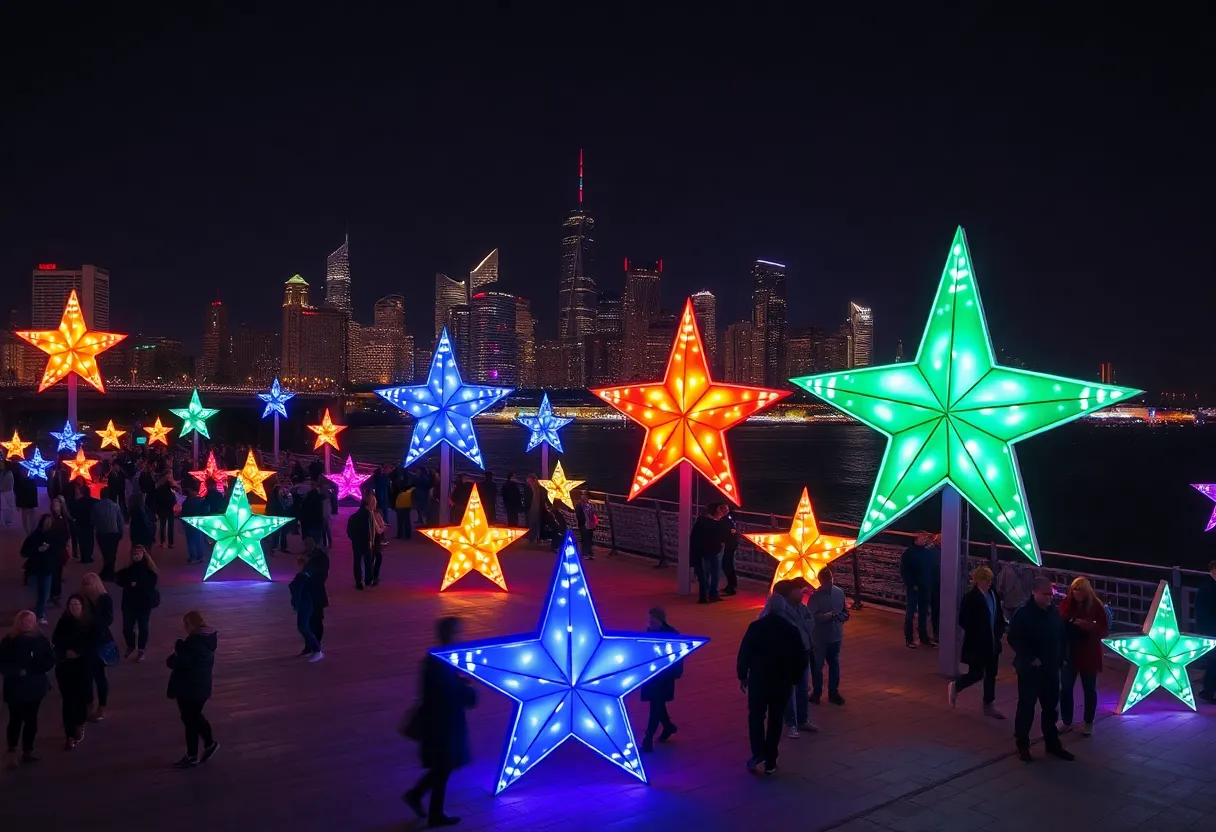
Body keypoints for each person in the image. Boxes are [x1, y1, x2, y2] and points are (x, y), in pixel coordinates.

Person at [403, 616, 476, 827]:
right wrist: (469, 689)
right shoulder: (442, 663)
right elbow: (452, 695)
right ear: (450, 635)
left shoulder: (435, 659)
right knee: (444, 767)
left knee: (442, 768)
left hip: (440, 724)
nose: (461, 637)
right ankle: (432, 811)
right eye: (458, 633)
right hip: (444, 726)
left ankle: (418, 797)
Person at [737, 580, 808, 775]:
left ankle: (757, 753)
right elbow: (801, 658)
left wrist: (743, 675)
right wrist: (793, 678)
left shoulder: (756, 627)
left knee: (756, 717)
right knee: (776, 719)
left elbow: (745, 653)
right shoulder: (791, 630)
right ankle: (771, 758)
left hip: (759, 680)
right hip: (781, 682)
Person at [1006, 576, 1073, 762]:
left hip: (1051, 670)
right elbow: (1014, 638)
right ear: (1034, 592)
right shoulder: (1023, 614)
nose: (1049, 598)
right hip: (1030, 671)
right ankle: (1022, 744)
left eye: (1050, 595)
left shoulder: (1053, 613)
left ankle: (1052, 743)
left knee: (1051, 709)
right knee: (1026, 707)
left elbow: (1061, 636)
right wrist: (1029, 658)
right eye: (1045, 595)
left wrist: (1064, 658)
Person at [761, 578, 817, 738]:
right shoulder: (780, 611)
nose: (802, 593)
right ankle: (791, 723)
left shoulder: (801, 607)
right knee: (789, 690)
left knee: (803, 687)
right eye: (799, 590)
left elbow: (809, 622)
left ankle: (803, 719)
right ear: (790, 592)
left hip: (804, 651)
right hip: (789, 655)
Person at [948, 565, 1006, 718]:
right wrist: (977, 632)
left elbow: (998, 615)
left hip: (992, 641)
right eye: (986, 580)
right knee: (977, 673)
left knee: (991, 673)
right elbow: (963, 620)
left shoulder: (993, 594)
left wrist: (999, 631)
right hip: (977, 643)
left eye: (990, 579)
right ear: (978, 581)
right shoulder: (971, 598)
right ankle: (956, 686)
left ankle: (989, 704)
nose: (989, 582)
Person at [1, 610, 56, 766]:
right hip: (15, 688)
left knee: (31, 719)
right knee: (15, 719)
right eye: (23, 621)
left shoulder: (41, 641)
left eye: (30, 621)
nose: (26, 624)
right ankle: (12, 750)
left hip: (34, 686)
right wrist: (16, 672)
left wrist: (37, 667)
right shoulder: (8, 642)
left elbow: (50, 660)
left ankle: (28, 750)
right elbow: (2, 663)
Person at [166, 610, 219, 768]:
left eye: (186, 624)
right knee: (194, 717)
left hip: (189, 687)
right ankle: (208, 745)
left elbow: (175, 662)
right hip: (201, 686)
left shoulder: (193, 643)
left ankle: (193, 755)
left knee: (190, 720)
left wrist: (178, 650)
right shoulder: (208, 639)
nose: (184, 627)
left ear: (193, 624)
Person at [1058, 577, 1109, 736]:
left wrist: (1088, 626)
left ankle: (1088, 722)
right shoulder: (1065, 605)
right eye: (1075, 589)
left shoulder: (1096, 607)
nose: (1077, 593)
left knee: (1089, 689)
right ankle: (1066, 720)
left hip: (1088, 653)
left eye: (1080, 590)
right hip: (1069, 653)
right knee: (1065, 688)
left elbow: (1104, 631)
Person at [639, 608, 684, 752]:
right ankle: (668, 726)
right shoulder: (650, 632)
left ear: (661, 621)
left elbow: (678, 656)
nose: (650, 623)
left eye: (653, 621)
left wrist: (675, 672)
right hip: (653, 676)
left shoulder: (671, 635)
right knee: (657, 703)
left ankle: (648, 738)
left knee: (655, 705)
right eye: (649, 621)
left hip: (664, 677)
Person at [52, 594, 94, 750]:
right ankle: (69, 734)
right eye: (71, 605)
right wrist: (65, 653)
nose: (73, 607)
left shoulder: (90, 623)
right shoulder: (64, 621)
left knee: (81, 698)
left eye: (76, 604)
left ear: (82, 606)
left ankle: (80, 723)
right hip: (66, 667)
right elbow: (56, 640)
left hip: (83, 666)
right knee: (68, 700)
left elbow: (94, 643)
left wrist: (78, 652)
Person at [809, 566, 850, 705]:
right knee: (823, 665)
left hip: (831, 635)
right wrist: (830, 616)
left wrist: (842, 616)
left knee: (829, 664)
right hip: (822, 637)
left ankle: (827, 692)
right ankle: (821, 692)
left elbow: (845, 612)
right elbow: (812, 617)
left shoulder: (836, 593)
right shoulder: (816, 597)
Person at [80, 573, 116, 721]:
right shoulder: (81, 600)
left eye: (89, 584)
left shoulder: (104, 599)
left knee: (99, 675)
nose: (86, 588)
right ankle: (89, 704)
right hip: (85, 642)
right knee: (86, 676)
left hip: (99, 641)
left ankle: (102, 706)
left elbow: (108, 619)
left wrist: (91, 622)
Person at [115, 545, 159, 661]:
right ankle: (131, 644)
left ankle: (141, 650)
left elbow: (152, 583)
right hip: (129, 603)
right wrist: (129, 583)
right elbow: (118, 578)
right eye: (134, 553)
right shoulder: (128, 568)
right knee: (127, 628)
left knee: (143, 627)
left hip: (144, 603)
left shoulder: (149, 569)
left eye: (139, 553)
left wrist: (137, 585)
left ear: (143, 554)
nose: (136, 555)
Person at [900, 533, 935, 648]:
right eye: (922, 538)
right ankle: (909, 638)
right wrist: (911, 584)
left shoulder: (927, 552)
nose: (924, 540)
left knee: (923, 613)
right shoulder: (909, 553)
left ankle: (923, 637)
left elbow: (931, 568)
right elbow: (904, 571)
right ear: (916, 539)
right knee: (911, 613)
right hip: (914, 587)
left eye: (925, 538)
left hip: (925, 586)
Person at [21, 515, 58, 624]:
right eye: (46, 521)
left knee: (44, 594)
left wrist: (50, 548)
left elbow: (59, 549)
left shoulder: (54, 536)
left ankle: (40, 613)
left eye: (50, 521)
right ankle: (39, 612)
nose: (48, 524)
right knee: (38, 592)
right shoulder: (35, 537)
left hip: (47, 569)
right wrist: (37, 549)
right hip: (35, 569)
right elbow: (24, 552)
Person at [690, 503, 729, 603]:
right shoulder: (706, 523)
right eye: (721, 509)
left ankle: (710, 594)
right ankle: (706, 595)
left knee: (713, 574)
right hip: (707, 551)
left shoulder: (707, 522)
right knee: (707, 574)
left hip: (712, 550)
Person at [290, 557, 323, 661]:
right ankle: (311, 649)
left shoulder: (302, 577)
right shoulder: (306, 576)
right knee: (303, 627)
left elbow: (297, 592)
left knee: (303, 627)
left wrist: (295, 604)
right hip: (305, 604)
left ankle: (317, 650)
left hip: (305, 605)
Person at [347, 492, 380, 590]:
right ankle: (368, 579)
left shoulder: (354, 516)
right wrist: (371, 540)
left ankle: (358, 582)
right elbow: (370, 529)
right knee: (368, 561)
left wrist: (353, 538)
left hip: (356, 542)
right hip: (366, 542)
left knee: (357, 562)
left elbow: (349, 531)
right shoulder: (368, 514)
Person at [92, 486, 125, 581]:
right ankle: (109, 572)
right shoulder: (116, 506)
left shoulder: (96, 506)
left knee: (106, 553)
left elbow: (93, 520)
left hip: (102, 533)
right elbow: (120, 521)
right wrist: (121, 533)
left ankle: (107, 573)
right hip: (114, 533)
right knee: (112, 553)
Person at [303, 537, 330, 652]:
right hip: (312, 594)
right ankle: (311, 645)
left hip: (315, 594)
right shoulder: (314, 557)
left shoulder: (318, 558)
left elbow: (320, 576)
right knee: (311, 621)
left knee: (315, 621)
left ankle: (314, 644)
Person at [1195, 560, 1216, 703]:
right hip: (1211, 630)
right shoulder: (1206, 589)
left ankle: (1208, 691)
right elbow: (1202, 614)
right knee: (1214, 662)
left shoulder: (1207, 587)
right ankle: (1208, 691)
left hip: (1211, 628)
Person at [48, 496, 72, 607]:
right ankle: (53, 593)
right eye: (54, 505)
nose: (55, 507)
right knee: (54, 572)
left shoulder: (61, 520)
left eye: (57, 505)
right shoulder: (51, 518)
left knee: (57, 572)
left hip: (58, 549)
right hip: (52, 548)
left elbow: (66, 535)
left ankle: (55, 594)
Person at [179, 480, 209, 565]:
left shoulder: (187, 502)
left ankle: (192, 557)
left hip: (189, 523)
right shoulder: (201, 500)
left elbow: (183, 512)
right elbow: (206, 510)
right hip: (198, 523)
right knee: (198, 540)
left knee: (190, 541)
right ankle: (200, 556)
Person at [154, 466, 180, 549]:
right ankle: (170, 543)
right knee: (168, 525)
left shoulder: (160, 486)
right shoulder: (169, 486)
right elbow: (175, 492)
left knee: (163, 525)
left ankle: (163, 542)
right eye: (169, 475)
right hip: (168, 507)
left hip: (164, 507)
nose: (170, 477)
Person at [73, 479, 98, 565]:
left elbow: (74, 513)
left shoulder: (77, 502)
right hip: (90, 524)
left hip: (80, 523)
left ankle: (84, 556)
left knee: (82, 540)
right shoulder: (95, 502)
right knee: (90, 540)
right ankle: (88, 556)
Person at [720, 505, 740, 596]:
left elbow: (728, 532)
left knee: (727, 565)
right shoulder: (729, 519)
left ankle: (732, 586)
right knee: (727, 564)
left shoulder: (726, 520)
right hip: (731, 544)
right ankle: (731, 585)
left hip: (729, 545)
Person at [300, 478, 326, 543]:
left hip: (310, 519)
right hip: (316, 519)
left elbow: (304, 507)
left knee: (312, 536)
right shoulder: (319, 495)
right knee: (316, 537)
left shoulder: (309, 496)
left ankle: (312, 549)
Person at [15, 466, 39, 534]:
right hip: (25, 495)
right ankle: (28, 532)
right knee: (26, 514)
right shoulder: (21, 476)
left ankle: (31, 531)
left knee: (30, 513)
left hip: (30, 494)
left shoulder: (31, 476)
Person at [575, 490, 597, 560]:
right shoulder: (579, 505)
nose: (584, 497)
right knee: (584, 539)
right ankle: (584, 553)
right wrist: (582, 522)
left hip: (590, 524)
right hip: (583, 524)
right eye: (582, 495)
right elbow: (578, 515)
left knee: (589, 539)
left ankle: (590, 553)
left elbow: (593, 514)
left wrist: (594, 522)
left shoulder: (590, 505)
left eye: (585, 495)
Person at [525, 474, 543, 545]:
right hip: (536, 508)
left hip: (534, 508)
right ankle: (535, 539)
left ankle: (533, 539)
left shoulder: (531, 488)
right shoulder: (538, 488)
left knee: (533, 524)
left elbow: (527, 499)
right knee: (535, 524)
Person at [0, 459, 15, 527]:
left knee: (7, 508)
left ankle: (8, 521)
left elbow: (4, 486)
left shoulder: (9, 474)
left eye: (2, 463)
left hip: (7, 493)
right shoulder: (2, 472)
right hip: (3, 493)